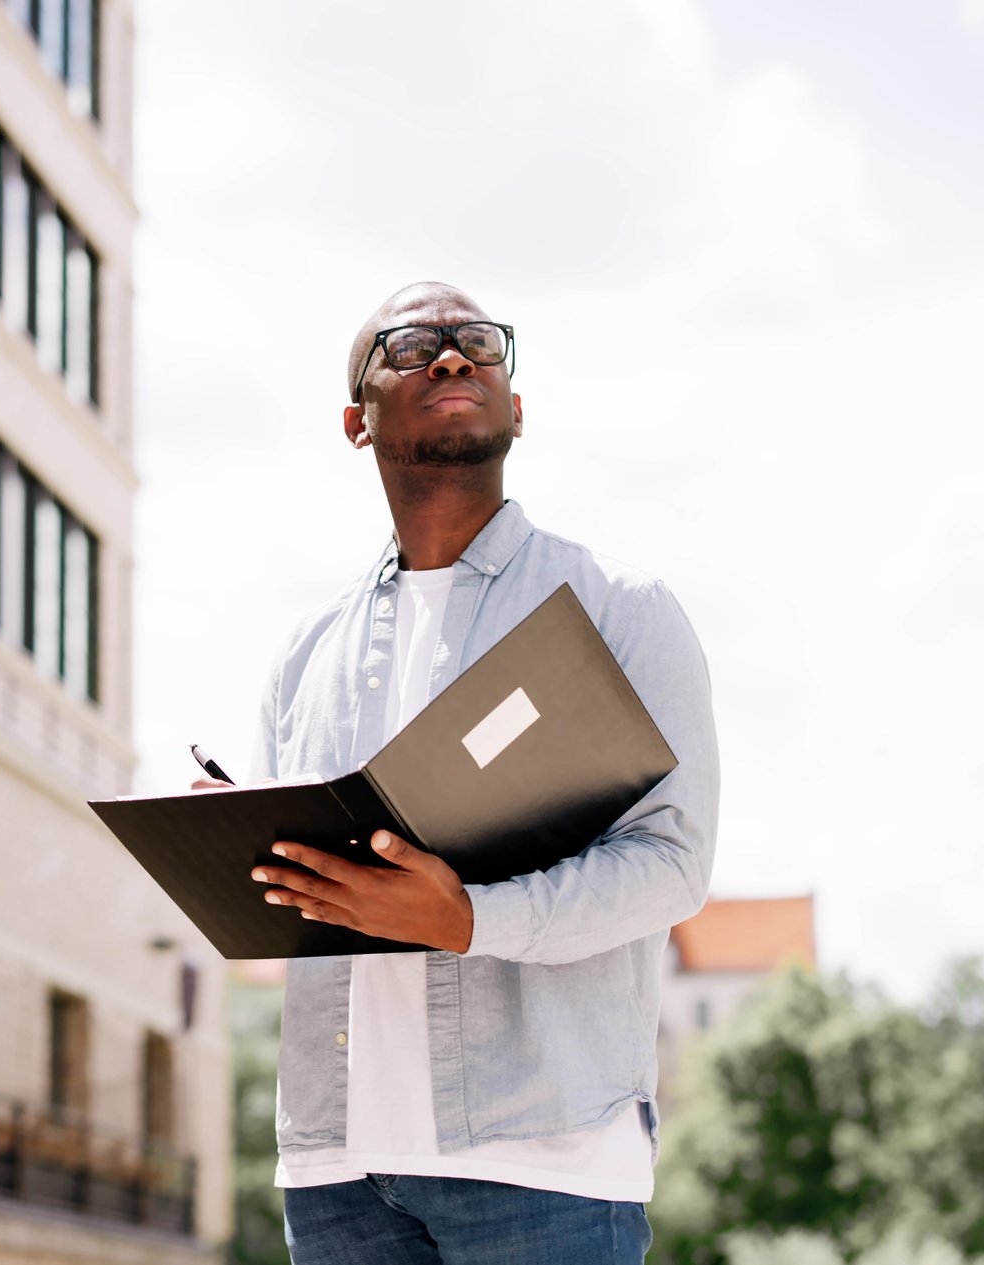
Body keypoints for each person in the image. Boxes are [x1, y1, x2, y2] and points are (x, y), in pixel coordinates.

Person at [194, 282, 720, 1263]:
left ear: (516, 406)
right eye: (413, 345)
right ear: (357, 422)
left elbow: (672, 864)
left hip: (548, 1156)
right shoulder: (305, 655)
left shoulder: (620, 610)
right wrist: (239, 851)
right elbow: (298, 913)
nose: (450, 359)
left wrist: (470, 918)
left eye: (478, 343)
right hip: (339, 1168)